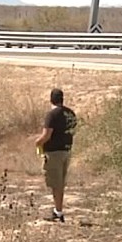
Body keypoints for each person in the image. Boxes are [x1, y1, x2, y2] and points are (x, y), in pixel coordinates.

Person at [35, 88, 77, 223]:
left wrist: (37, 143)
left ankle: (58, 212)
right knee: (60, 183)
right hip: (66, 151)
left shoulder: (52, 115)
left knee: (55, 183)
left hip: (54, 153)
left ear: (51, 99)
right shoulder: (70, 113)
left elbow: (46, 135)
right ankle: (57, 210)